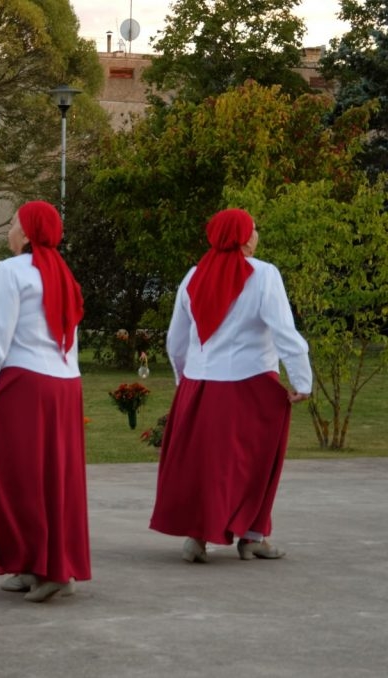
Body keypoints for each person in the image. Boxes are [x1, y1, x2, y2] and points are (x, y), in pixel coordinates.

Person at [149, 208, 311, 562]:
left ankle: (197, 536)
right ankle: (253, 535)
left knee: (202, 464)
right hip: (251, 384)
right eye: (253, 230)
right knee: (254, 463)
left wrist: (185, 380)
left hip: (201, 383)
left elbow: (177, 338)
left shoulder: (194, 276)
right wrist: (301, 378)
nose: (256, 236)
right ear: (242, 237)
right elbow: (284, 330)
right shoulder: (264, 275)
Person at [0, 200, 91, 603]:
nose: (10, 230)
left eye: (15, 223)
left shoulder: (11, 270)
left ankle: (48, 567)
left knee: (17, 480)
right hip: (63, 386)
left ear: (29, 232)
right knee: (53, 478)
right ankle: (31, 561)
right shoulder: (62, 272)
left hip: (25, 386)